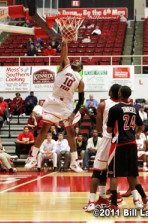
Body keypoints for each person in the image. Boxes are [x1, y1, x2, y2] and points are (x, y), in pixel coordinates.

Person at [30, 40, 85, 173]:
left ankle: (74, 162)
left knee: (71, 132)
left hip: (67, 103)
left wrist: (74, 113)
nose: (76, 61)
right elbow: (64, 53)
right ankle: (32, 157)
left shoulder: (80, 81)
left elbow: (82, 99)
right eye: (75, 60)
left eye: (78, 61)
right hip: (54, 100)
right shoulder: (64, 66)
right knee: (44, 129)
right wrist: (65, 42)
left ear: (81, 68)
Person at [106, 86, 148, 210]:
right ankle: (144, 197)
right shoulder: (133, 109)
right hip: (132, 143)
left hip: (119, 144)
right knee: (132, 174)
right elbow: (141, 127)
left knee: (113, 174)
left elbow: (109, 129)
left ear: (120, 94)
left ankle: (114, 204)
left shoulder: (114, 108)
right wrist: (132, 133)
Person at [84, 84, 122, 212]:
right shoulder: (125, 105)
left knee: (96, 171)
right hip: (120, 140)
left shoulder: (103, 104)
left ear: (111, 92)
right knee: (112, 172)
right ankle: (107, 198)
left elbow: (99, 128)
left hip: (107, 139)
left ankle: (91, 202)